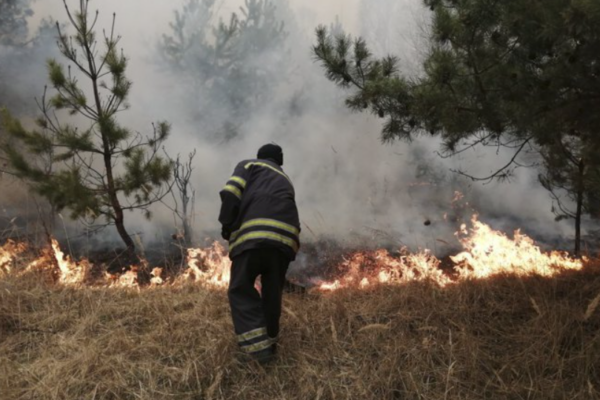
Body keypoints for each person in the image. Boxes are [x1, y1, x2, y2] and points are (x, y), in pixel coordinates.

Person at [218, 143, 300, 363]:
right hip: (284, 243)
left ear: (259, 156)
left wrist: (227, 225)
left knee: (240, 288)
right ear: (280, 161)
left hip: (253, 237)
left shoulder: (249, 165)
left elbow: (231, 192)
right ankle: (271, 340)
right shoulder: (285, 179)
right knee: (272, 293)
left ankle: (257, 351)